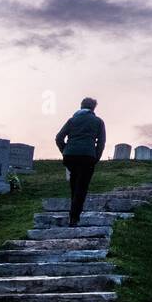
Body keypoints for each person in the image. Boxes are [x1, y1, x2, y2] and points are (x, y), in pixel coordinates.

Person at [55, 97, 107, 227]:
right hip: (87, 156)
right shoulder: (98, 121)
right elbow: (101, 142)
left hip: (70, 156)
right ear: (93, 108)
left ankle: (73, 214)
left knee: (74, 184)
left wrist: (65, 150)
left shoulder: (72, 120)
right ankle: (74, 217)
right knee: (82, 187)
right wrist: (96, 157)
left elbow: (59, 137)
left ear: (81, 106)